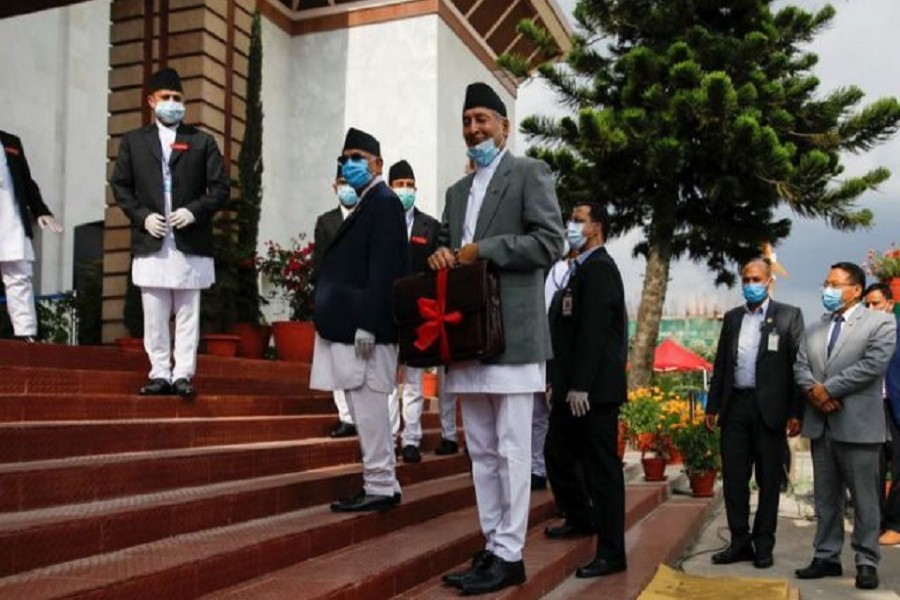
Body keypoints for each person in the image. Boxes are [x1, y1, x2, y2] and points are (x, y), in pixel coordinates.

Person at [429, 81, 564, 595]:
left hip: (514, 335)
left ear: (505, 126)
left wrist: (485, 248)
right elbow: (446, 246)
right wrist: (442, 255)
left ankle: (512, 553)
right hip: (468, 337)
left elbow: (549, 241)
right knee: (481, 449)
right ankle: (493, 546)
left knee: (512, 447)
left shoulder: (529, 173)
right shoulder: (456, 191)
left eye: (483, 119)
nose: (473, 130)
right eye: (467, 121)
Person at [110, 68, 229, 398]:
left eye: (178, 98)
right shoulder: (134, 142)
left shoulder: (201, 141)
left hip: (190, 241)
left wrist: (194, 210)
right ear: (151, 101)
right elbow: (120, 185)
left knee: (189, 313)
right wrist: (141, 216)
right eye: (166, 98)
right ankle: (159, 371)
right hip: (152, 238)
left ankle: (183, 375)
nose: (173, 103)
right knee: (155, 313)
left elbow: (220, 188)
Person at [310, 127, 409, 512]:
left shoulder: (382, 202)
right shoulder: (371, 202)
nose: (349, 165)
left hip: (365, 333)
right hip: (355, 330)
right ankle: (384, 482)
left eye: (358, 158)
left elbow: (383, 269)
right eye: (345, 158)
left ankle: (380, 485)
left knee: (368, 411)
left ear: (378, 164)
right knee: (365, 408)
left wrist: (368, 323)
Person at [793, 262, 896, 590]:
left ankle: (866, 560)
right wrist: (814, 392)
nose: (827, 290)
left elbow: (873, 365)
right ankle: (826, 556)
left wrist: (829, 389)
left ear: (855, 290)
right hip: (821, 424)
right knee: (825, 498)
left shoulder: (881, 322)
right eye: (826, 283)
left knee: (865, 500)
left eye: (834, 284)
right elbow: (800, 365)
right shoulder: (814, 328)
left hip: (859, 426)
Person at [544, 203, 628, 579]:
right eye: (571, 219)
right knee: (557, 454)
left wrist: (580, 386)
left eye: (578, 220)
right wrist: (556, 383)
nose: (571, 226)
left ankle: (612, 552)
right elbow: (565, 335)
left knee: (601, 471)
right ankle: (580, 518)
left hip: (593, 394)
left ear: (596, 227)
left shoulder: (600, 270)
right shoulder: (577, 272)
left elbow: (594, 333)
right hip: (569, 389)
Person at [704, 258, 805, 569]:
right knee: (734, 479)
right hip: (735, 407)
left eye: (756, 279)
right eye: (746, 279)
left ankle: (763, 544)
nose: (750, 285)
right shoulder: (733, 318)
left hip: (770, 412)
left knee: (769, 480)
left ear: (769, 281)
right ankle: (738, 541)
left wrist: (795, 411)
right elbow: (722, 363)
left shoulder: (789, 316)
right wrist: (713, 405)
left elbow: (797, 366)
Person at [386, 160, 441, 464]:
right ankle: (391, 435)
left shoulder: (429, 227)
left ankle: (412, 439)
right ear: (390, 187)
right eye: (400, 184)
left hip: (418, 314)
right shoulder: (380, 223)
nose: (405, 190)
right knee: (387, 382)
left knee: (414, 381)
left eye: (410, 185)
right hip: (387, 312)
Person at [0, 129, 63, 341]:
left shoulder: (11, 142)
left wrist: (41, 211)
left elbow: (27, 182)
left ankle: (25, 333)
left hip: (11, 218)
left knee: (19, 276)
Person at [312, 167, 360, 439]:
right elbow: (320, 263)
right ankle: (346, 417)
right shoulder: (326, 221)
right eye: (342, 182)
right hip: (335, 300)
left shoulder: (368, 217)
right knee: (336, 362)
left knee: (360, 362)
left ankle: (362, 415)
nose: (347, 187)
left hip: (362, 300)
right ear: (334, 187)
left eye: (350, 182)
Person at [532, 240, 574, 491]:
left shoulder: (578, 273)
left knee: (556, 416)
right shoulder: (547, 270)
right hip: (539, 348)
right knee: (537, 413)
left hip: (561, 353)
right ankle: (536, 469)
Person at [865, 283, 900, 545]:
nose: (871, 309)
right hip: (871, 408)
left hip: (896, 407)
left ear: (889, 303)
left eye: (876, 303)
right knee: (872, 469)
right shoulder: (863, 335)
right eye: (867, 304)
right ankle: (874, 523)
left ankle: (895, 523)